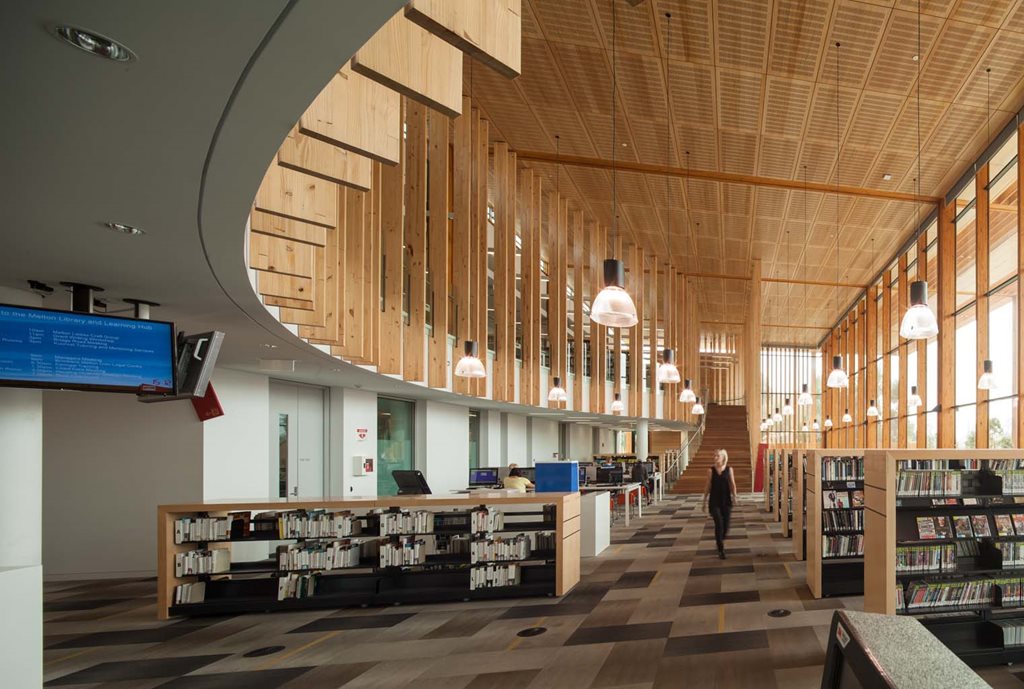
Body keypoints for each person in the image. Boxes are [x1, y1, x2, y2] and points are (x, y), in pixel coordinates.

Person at [702, 449, 738, 559]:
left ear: (723, 457)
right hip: (714, 501)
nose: (715, 457)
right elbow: (708, 486)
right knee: (719, 523)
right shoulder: (711, 470)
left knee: (726, 526)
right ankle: (720, 549)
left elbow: (732, 484)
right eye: (714, 455)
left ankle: (720, 540)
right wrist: (704, 501)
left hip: (726, 501)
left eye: (717, 456)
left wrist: (735, 496)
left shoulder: (729, 469)